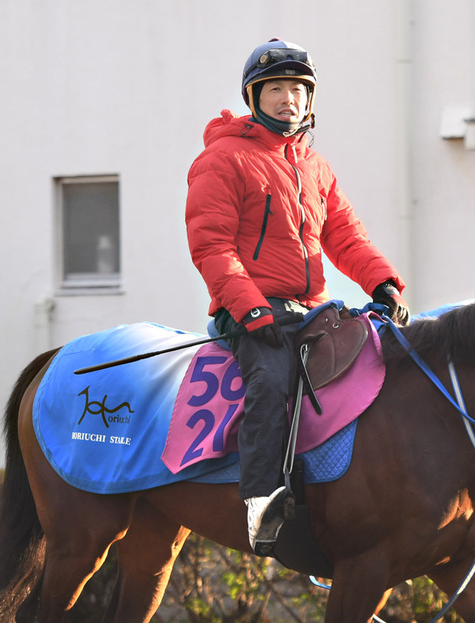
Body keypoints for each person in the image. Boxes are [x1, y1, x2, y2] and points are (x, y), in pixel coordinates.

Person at [184, 38, 409, 557]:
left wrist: (382, 283)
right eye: (277, 89)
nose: (289, 99)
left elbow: (346, 238)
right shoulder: (222, 159)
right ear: (254, 97)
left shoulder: (315, 166)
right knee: (269, 382)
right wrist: (249, 306)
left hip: (309, 311)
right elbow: (211, 245)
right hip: (251, 315)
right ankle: (262, 504)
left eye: (298, 90)